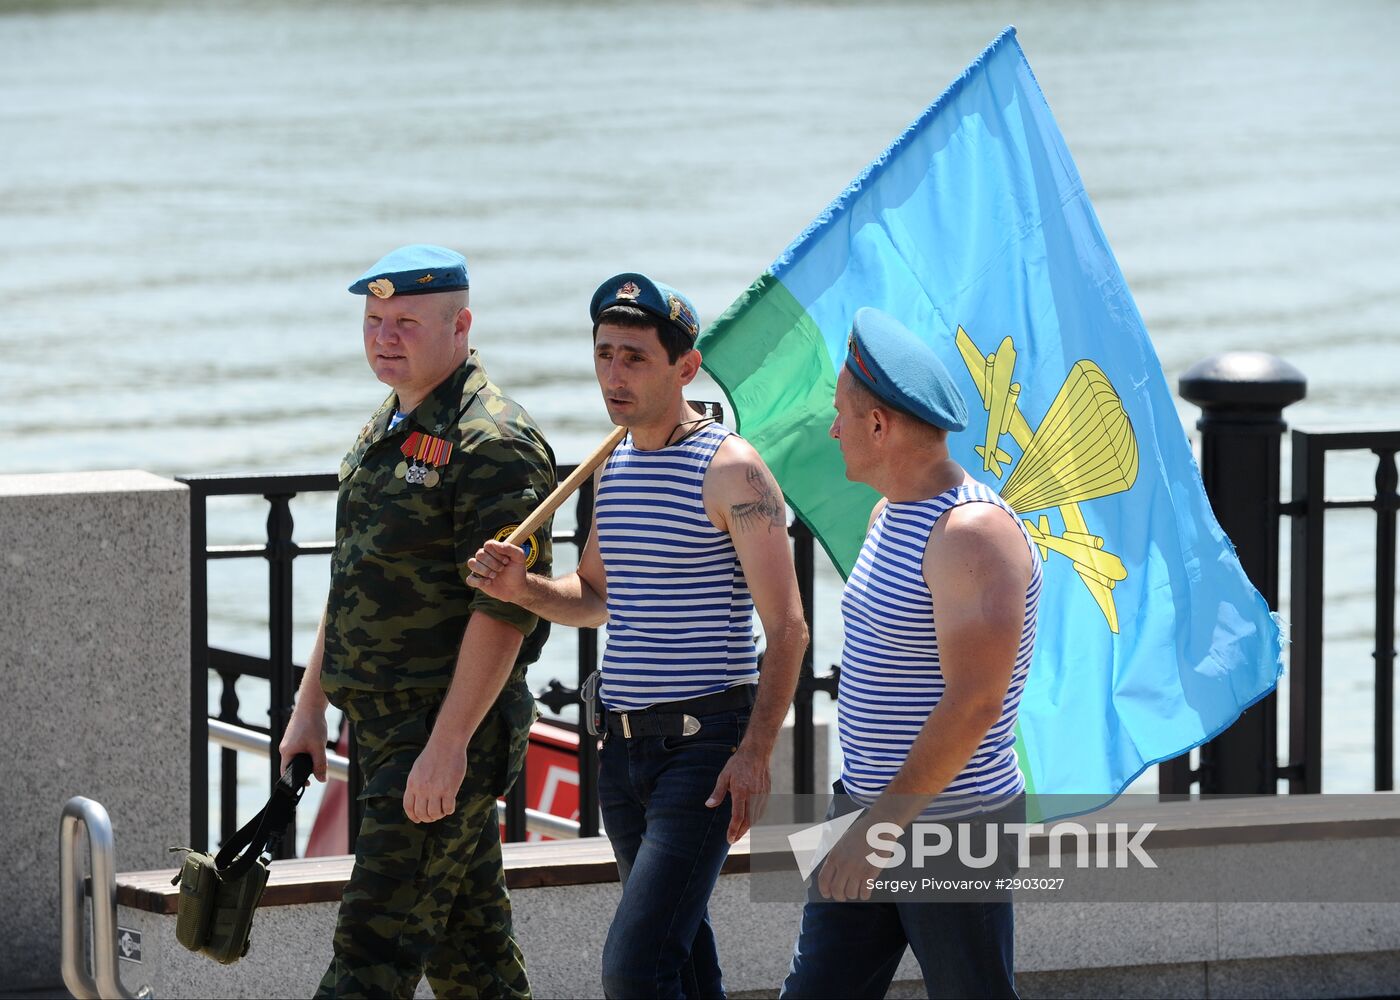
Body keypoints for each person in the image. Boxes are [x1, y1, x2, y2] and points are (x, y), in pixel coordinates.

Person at [468, 272, 808, 998]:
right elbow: (594, 596)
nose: (613, 376)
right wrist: (518, 587)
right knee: (681, 960)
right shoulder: (612, 465)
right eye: (603, 354)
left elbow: (788, 628)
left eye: (635, 358)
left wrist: (755, 754)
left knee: (634, 965)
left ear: (685, 367)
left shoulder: (733, 471)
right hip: (621, 753)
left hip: (703, 751)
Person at [279, 244, 556, 999]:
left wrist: (447, 747)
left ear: (460, 325)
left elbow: (503, 613)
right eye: (373, 321)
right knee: (475, 965)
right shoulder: (389, 425)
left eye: (405, 322)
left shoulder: (493, 443)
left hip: (439, 733)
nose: (383, 337)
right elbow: (351, 583)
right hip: (385, 730)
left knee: (370, 959)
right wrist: (310, 709)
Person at [781, 308, 1042, 1000]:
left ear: (878, 426)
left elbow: (976, 701)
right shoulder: (887, 513)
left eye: (841, 413)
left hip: (948, 826)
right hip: (867, 809)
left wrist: (880, 828)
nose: (833, 428)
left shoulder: (972, 534)